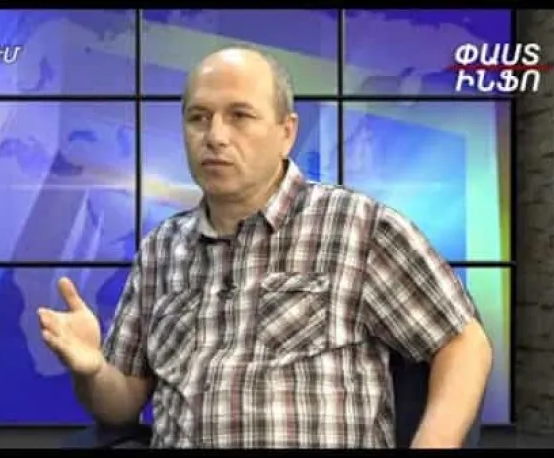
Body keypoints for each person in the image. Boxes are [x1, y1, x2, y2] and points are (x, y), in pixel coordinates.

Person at [37, 45, 493, 448]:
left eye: (240, 115)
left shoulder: (359, 227)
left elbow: (463, 343)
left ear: (286, 132)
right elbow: (120, 406)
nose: (215, 136)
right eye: (198, 117)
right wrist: (92, 370)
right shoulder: (161, 250)